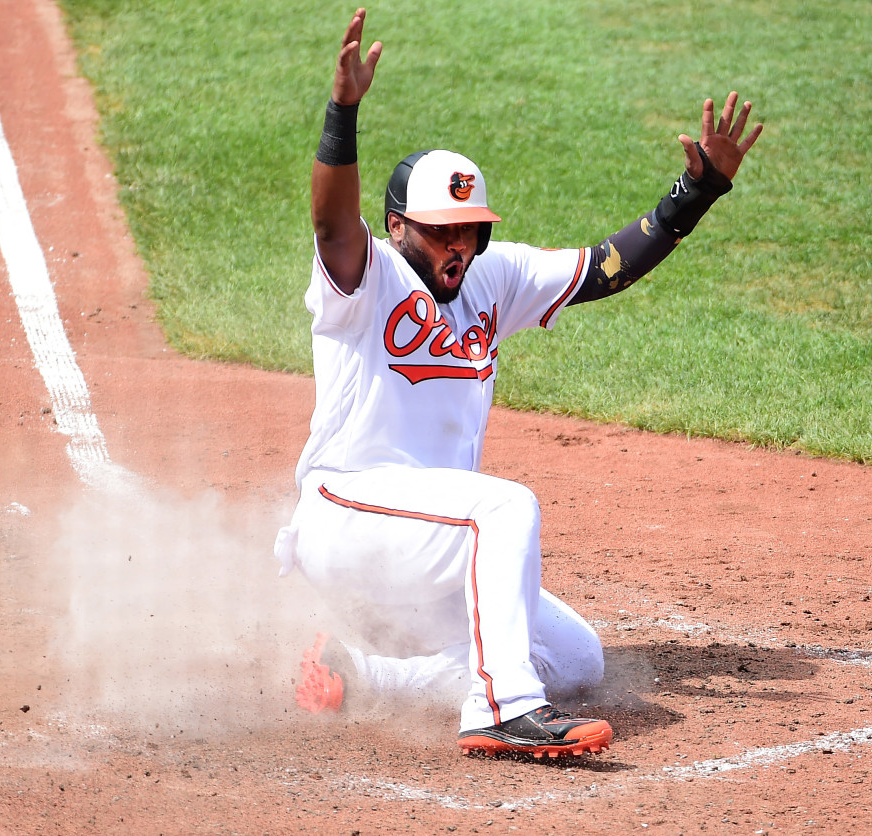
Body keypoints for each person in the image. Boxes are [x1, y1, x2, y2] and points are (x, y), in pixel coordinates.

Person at [273, 7, 762, 758]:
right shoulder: (361, 277)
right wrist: (343, 112)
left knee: (576, 658)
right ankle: (500, 712)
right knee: (504, 509)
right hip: (349, 518)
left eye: (469, 229)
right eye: (440, 229)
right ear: (398, 226)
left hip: (429, 543)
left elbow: (604, 268)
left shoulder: (493, 278)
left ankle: (361, 673)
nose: (457, 244)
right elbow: (332, 225)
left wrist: (694, 196)